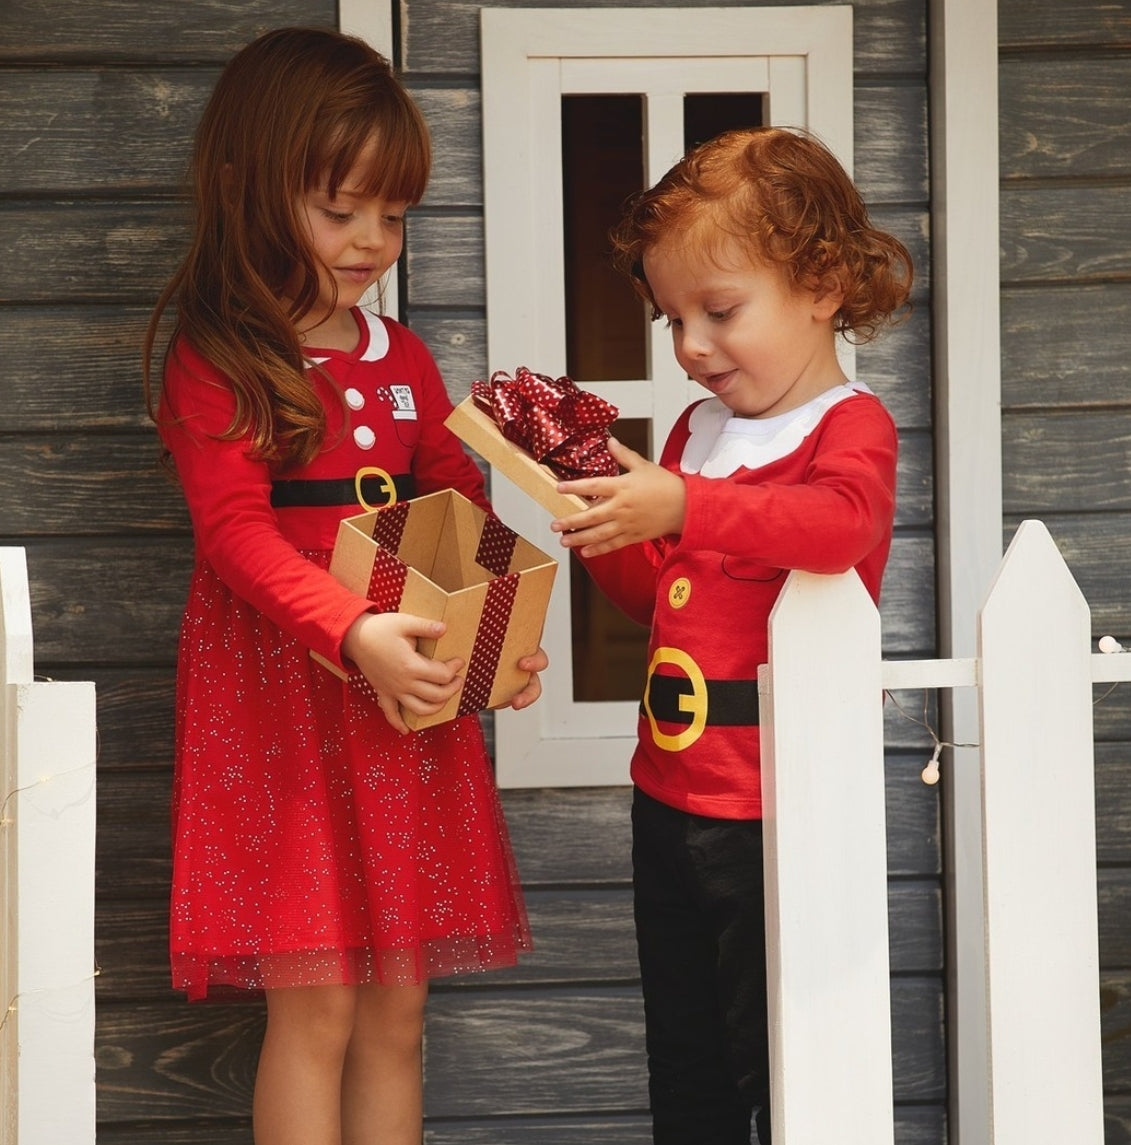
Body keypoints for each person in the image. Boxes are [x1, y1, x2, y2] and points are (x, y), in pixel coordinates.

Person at [142, 27, 544, 1145]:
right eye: (341, 209)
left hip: (404, 703)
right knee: (313, 1000)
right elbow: (233, 535)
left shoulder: (405, 357)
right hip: (284, 706)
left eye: (394, 214)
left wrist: (503, 634)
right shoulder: (219, 357)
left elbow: (461, 513)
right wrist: (352, 625)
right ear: (248, 189)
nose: (373, 239)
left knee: (398, 1000)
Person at [551, 126, 913, 1144]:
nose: (691, 346)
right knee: (687, 1050)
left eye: (720, 310)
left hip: (774, 800)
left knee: (781, 1051)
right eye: (673, 319)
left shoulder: (849, 426)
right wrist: (601, 524)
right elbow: (663, 596)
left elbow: (839, 528)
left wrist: (682, 505)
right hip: (667, 787)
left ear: (823, 283)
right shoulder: (693, 438)